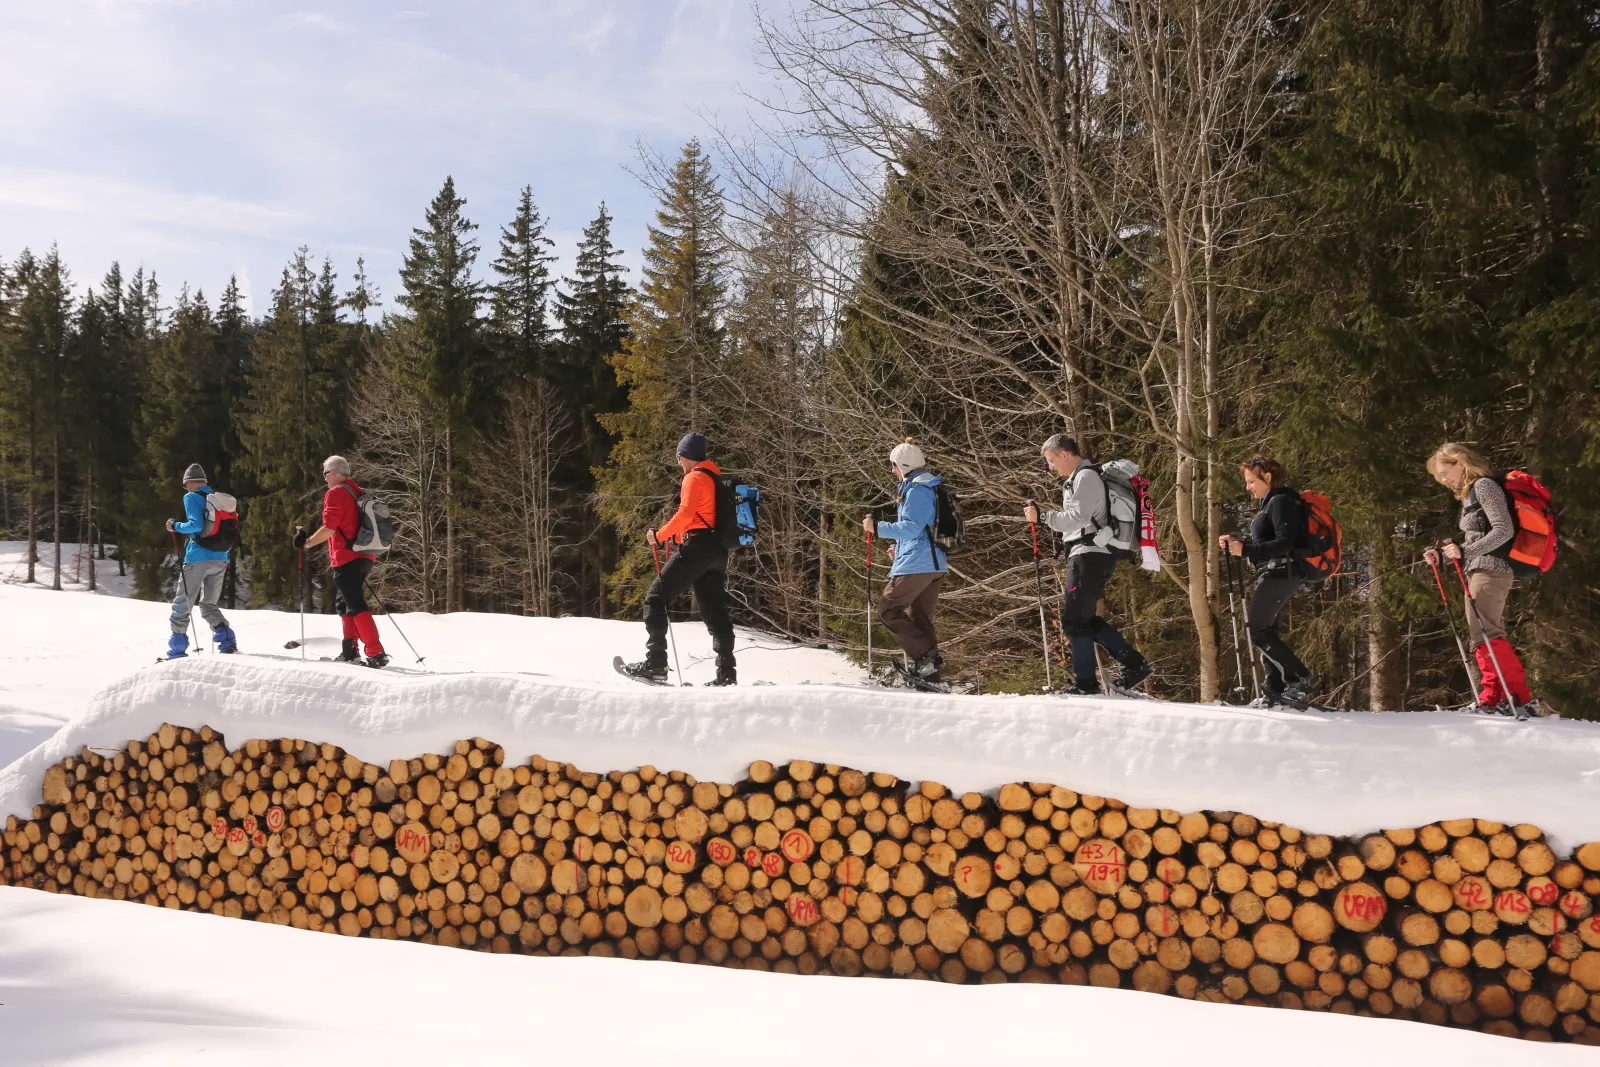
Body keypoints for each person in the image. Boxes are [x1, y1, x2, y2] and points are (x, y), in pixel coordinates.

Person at [1025, 435, 1150, 695]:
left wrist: (1043, 517)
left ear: (1065, 454)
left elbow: (1077, 517)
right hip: (1089, 554)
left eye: (1051, 460)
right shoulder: (1078, 479)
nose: (1050, 467)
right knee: (1083, 618)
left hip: (1090, 554)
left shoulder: (1085, 477)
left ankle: (1087, 683)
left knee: (1074, 620)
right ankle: (1133, 663)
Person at [1423, 443, 1535, 714]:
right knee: (1480, 634)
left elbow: (1504, 530)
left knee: (1488, 632)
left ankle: (1517, 698)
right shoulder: (1469, 495)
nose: (1444, 479)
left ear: (1460, 463)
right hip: (1478, 569)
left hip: (1493, 569)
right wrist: (1444, 554)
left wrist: (1465, 551)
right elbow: (1477, 535)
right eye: (1440, 476)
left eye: (1445, 472)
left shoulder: (1484, 486)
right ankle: (1495, 697)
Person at [620, 433, 737, 686]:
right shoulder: (714, 478)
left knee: (655, 598)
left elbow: (686, 514)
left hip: (697, 547)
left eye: (678, 457)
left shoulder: (694, 477)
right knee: (715, 612)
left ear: (685, 456)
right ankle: (726, 674)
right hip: (716, 551)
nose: (678, 463)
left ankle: (656, 665)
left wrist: (660, 536)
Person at [1219, 455, 1314, 709]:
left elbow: (1285, 542)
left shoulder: (1281, 501)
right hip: (1277, 571)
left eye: (1251, 481)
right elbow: (1268, 543)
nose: (1248, 486)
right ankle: (1276, 689)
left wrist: (1246, 550)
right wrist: (1240, 545)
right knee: (1266, 631)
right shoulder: (1272, 503)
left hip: (1283, 572)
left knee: (1256, 629)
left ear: (1267, 478)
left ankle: (1299, 678)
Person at [863, 439, 948, 684]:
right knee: (920, 618)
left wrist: (876, 528)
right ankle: (931, 676)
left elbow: (911, 528)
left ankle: (926, 659)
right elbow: (920, 530)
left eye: (894, 465)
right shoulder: (924, 487)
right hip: (930, 563)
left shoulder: (918, 489)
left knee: (888, 609)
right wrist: (898, 550)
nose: (892, 470)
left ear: (904, 464)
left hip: (920, 564)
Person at [293, 455, 388, 668]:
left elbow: (329, 528)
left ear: (334, 473)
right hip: (365, 555)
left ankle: (375, 652)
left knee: (354, 604)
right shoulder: (357, 491)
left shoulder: (335, 493)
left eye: (326, 474)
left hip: (347, 557)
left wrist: (306, 543)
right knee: (344, 604)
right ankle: (349, 651)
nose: (325, 479)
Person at [164, 463, 237, 658]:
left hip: (197, 558)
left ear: (188, 482)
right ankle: (227, 640)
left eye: (185, 485)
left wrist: (175, 526)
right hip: (220, 557)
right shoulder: (217, 499)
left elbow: (195, 526)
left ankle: (177, 650)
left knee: (183, 603)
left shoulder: (191, 497)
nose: (185, 489)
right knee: (209, 604)